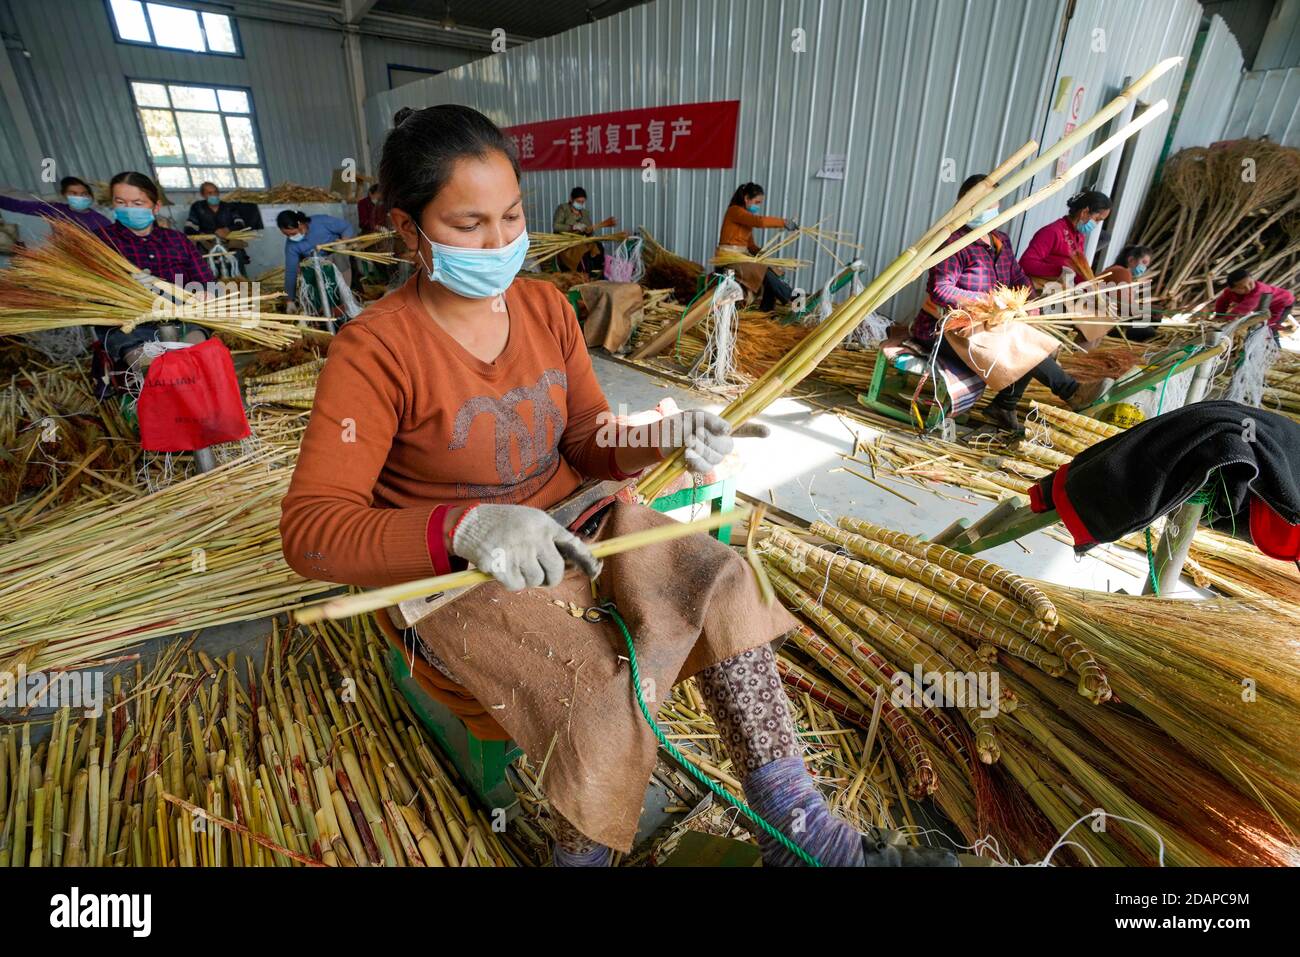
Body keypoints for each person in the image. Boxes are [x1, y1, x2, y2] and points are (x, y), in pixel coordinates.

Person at [279, 103, 954, 869]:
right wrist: (466, 527)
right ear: (408, 229)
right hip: (465, 574)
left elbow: (586, 438)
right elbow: (312, 531)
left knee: (724, 578)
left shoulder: (543, 307)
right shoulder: (374, 349)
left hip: (579, 519)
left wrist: (665, 435)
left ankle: (800, 829)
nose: (501, 243)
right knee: (601, 684)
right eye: (470, 225)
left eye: (512, 216)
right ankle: (582, 857)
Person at [913, 174, 1112, 432]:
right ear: (964, 205)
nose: (990, 208)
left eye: (993, 203)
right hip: (949, 329)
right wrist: (986, 300)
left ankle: (1005, 406)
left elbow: (1017, 275)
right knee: (1023, 346)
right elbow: (941, 289)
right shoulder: (951, 242)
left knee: (1031, 336)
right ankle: (1070, 392)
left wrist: (1029, 301)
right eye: (981, 203)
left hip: (989, 325)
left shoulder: (1000, 240)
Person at [92, 171, 215, 376]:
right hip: (131, 326)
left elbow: (206, 280)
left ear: (155, 207)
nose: (129, 209)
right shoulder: (100, 242)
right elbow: (90, 293)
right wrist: (125, 287)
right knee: (159, 374)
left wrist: (205, 294)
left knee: (195, 363)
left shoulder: (177, 241)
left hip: (184, 319)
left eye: (138, 203)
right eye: (121, 202)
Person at [716, 182, 798, 310]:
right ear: (746, 198)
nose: (758, 206)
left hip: (742, 257)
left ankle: (767, 310)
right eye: (757, 202)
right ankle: (793, 298)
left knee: (771, 270)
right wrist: (783, 222)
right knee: (762, 270)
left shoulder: (746, 218)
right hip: (729, 259)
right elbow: (759, 222)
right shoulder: (735, 211)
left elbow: (751, 246)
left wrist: (763, 254)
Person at [1019, 189, 1112, 288]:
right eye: (1097, 219)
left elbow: (1078, 273)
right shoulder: (1053, 232)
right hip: (1038, 292)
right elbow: (1025, 263)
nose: (1096, 224)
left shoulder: (1079, 236)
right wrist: (1060, 271)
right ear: (1084, 212)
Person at [277, 209, 355, 309]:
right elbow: (291, 272)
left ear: (299, 224)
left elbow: (346, 227)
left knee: (339, 258)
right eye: (287, 235)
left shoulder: (321, 222)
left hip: (337, 258)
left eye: (292, 234)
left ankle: (346, 298)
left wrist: (343, 241)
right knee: (307, 272)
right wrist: (289, 300)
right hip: (317, 266)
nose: (290, 237)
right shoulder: (291, 245)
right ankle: (322, 306)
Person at [183, 181, 250, 274]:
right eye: (209, 193)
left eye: (215, 192)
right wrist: (203, 235)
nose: (213, 195)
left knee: (237, 271)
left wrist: (228, 229)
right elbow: (189, 228)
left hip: (230, 244)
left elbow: (241, 224)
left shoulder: (229, 207)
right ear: (203, 195)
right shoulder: (197, 207)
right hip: (207, 245)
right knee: (209, 273)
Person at [0, 175, 110, 230]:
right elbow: (18, 206)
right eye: (73, 193)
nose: (79, 197)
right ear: (64, 195)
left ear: (90, 196)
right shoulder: (55, 210)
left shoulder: (101, 220)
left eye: (84, 194)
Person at [551, 187, 616, 274]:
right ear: (571, 199)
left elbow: (589, 230)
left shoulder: (585, 213)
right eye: (578, 201)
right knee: (582, 251)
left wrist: (588, 230)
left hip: (581, 240)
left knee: (598, 246)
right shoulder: (563, 209)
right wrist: (572, 227)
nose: (580, 204)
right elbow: (556, 226)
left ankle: (596, 273)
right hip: (566, 242)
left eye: (582, 202)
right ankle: (583, 274)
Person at [1097, 244, 1156, 341]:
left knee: (1151, 319)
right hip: (1100, 322)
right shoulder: (1121, 272)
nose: (1144, 268)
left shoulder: (1121, 273)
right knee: (1149, 330)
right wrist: (1146, 312)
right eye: (1143, 262)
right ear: (1131, 260)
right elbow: (1125, 306)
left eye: (1146, 265)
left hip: (1107, 317)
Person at [1214, 268, 1296, 332]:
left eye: (1250, 283)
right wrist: (1218, 316)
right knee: (1261, 325)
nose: (1248, 288)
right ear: (1232, 289)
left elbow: (1241, 310)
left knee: (1269, 327)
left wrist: (1223, 321)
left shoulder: (1259, 290)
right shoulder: (1228, 292)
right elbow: (1221, 303)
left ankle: (1274, 350)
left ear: (1253, 279)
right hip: (1267, 305)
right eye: (1242, 287)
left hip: (1283, 303)